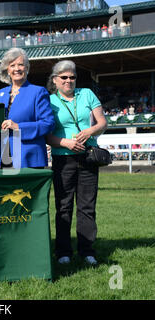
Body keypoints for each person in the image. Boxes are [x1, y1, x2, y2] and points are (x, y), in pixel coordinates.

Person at [45, 60, 107, 266]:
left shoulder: (87, 94)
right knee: (63, 206)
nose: (68, 81)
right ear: (55, 80)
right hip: (63, 158)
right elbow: (46, 135)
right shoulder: (49, 101)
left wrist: (90, 131)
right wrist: (67, 143)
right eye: (64, 77)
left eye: (72, 77)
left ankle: (87, 250)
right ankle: (63, 251)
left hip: (88, 157)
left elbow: (102, 123)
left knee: (87, 206)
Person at [0, 48, 54, 169]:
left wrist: (18, 127)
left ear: (27, 68)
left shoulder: (38, 92)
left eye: (21, 64)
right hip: (4, 158)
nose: (17, 69)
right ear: (7, 70)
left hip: (29, 157)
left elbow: (48, 124)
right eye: (12, 65)